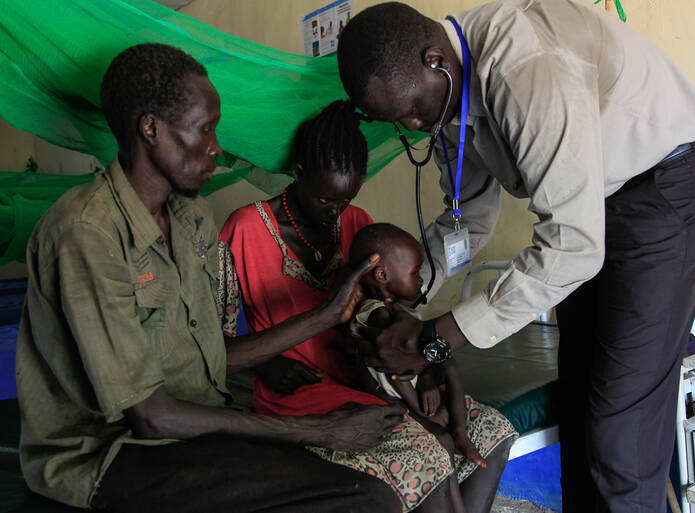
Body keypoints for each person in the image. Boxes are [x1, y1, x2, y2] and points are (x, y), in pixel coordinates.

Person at [337, 2, 695, 512]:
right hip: (600, 207)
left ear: (436, 59)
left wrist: (437, 339)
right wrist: (408, 294)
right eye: (401, 121)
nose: (416, 125)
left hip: (667, 190)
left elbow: (572, 246)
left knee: (620, 429)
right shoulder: (446, 97)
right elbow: (470, 216)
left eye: (414, 110)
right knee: (580, 399)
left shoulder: (522, 69)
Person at [15, 43, 406, 513]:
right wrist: (320, 430)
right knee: (363, 501)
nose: (216, 148)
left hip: (195, 422)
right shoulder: (86, 234)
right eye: (203, 130)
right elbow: (151, 417)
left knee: (369, 489)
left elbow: (214, 358)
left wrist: (326, 315)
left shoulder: (188, 217)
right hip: (108, 452)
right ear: (151, 129)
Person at [219, 100, 514, 513]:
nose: (336, 212)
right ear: (298, 173)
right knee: (428, 449)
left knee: (492, 432)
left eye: (346, 198)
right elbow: (215, 340)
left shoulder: (356, 222)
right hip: (301, 388)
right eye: (326, 200)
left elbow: (392, 313)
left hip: (368, 372)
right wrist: (264, 364)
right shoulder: (244, 229)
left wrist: (424, 369)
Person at [349, 222, 516, 513]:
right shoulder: (374, 317)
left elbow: (419, 358)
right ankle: (454, 438)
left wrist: (427, 379)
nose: (421, 281)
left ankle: (461, 433)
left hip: (413, 386)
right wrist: (421, 414)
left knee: (449, 363)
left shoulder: (400, 309)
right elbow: (397, 373)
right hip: (396, 398)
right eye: (415, 273)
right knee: (437, 434)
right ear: (382, 274)